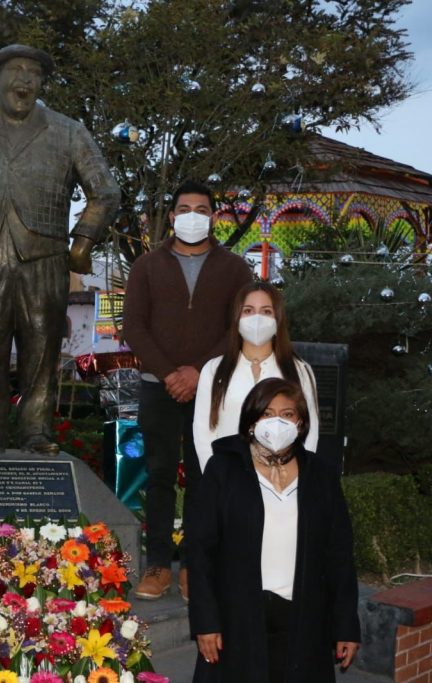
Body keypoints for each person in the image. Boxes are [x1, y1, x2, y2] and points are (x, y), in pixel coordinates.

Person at [0, 43, 120, 454]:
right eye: (16, 70)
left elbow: (105, 191)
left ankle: (36, 431)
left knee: (43, 346)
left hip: (45, 255)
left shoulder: (68, 130)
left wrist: (83, 240)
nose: (25, 79)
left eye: (34, 72)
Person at [122, 180, 253, 600]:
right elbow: (133, 328)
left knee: (205, 479)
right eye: (184, 208)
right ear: (173, 216)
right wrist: (168, 374)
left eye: (201, 209)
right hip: (155, 387)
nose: (192, 215)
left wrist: (197, 372)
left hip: (211, 388)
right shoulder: (146, 265)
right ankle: (158, 565)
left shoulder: (235, 269)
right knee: (159, 477)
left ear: (213, 216)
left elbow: (239, 327)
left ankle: (197, 566)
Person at [185, 377, 360, 683]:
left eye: (288, 414)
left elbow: (339, 555)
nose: (277, 422)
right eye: (267, 413)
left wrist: (346, 625)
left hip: (304, 618)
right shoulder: (223, 470)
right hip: (237, 619)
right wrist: (205, 622)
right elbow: (200, 552)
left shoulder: (320, 475)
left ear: (301, 422)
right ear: (251, 422)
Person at [193, 281, 319, 474]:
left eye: (266, 311)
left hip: (283, 479)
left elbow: (310, 431)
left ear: (278, 319)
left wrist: (295, 479)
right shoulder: (213, 370)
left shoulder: (300, 371)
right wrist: (216, 478)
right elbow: (203, 432)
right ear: (237, 318)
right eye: (249, 310)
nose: (257, 318)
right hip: (228, 478)